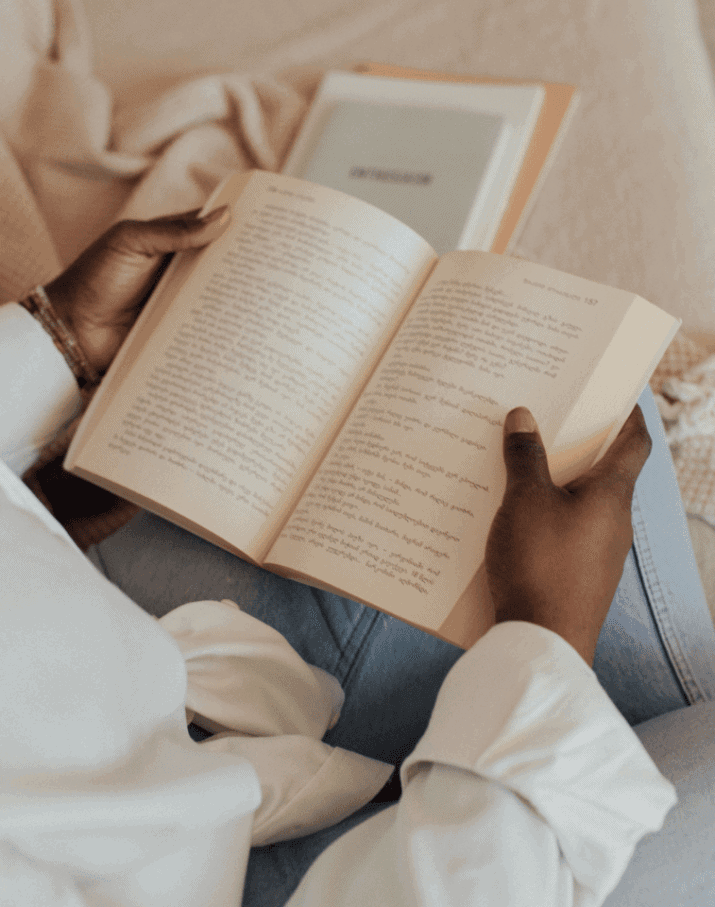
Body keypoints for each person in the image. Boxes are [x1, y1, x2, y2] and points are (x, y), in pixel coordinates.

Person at [2, 204, 715, 907]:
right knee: (601, 447)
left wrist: (53, 341)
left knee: (563, 379)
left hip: (113, 618)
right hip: (249, 868)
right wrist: (550, 625)